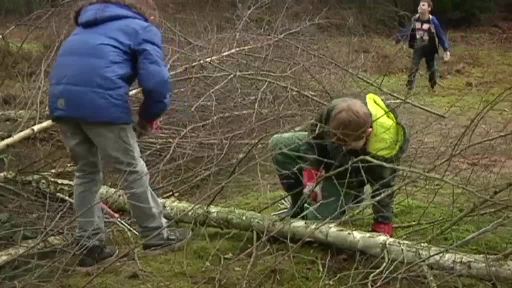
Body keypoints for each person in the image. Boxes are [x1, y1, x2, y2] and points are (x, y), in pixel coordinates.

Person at [48, 0, 191, 268]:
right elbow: (157, 83)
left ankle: (90, 247)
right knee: (132, 169)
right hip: (100, 106)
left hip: (62, 104)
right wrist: (148, 117)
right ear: (147, 13)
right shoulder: (141, 28)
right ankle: (156, 235)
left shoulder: (82, 30)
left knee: (86, 172)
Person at [269, 93, 408, 237]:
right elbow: (313, 140)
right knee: (280, 144)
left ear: (368, 133)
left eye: (346, 144)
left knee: (314, 226)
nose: (342, 147)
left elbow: (384, 188)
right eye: (337, 142)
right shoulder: (336, 111)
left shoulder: (383, 150)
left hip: (347, 180)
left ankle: (354, 199)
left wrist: (383, 223)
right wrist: (311, 173)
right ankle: (298, 205)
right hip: (328, 159)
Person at [396, 0, 451, 91]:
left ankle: (433, 86)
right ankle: (409, 88)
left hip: (430, 48)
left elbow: (441, 35)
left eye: (423, 5)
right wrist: (400, 38)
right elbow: (409, 30)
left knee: (432, 69)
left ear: (429, 8)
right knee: (413, 67)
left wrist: (446, 49)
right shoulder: (415, 19)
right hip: (418, 47)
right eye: (420, 5)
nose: (420, 7)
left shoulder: (433, 21)